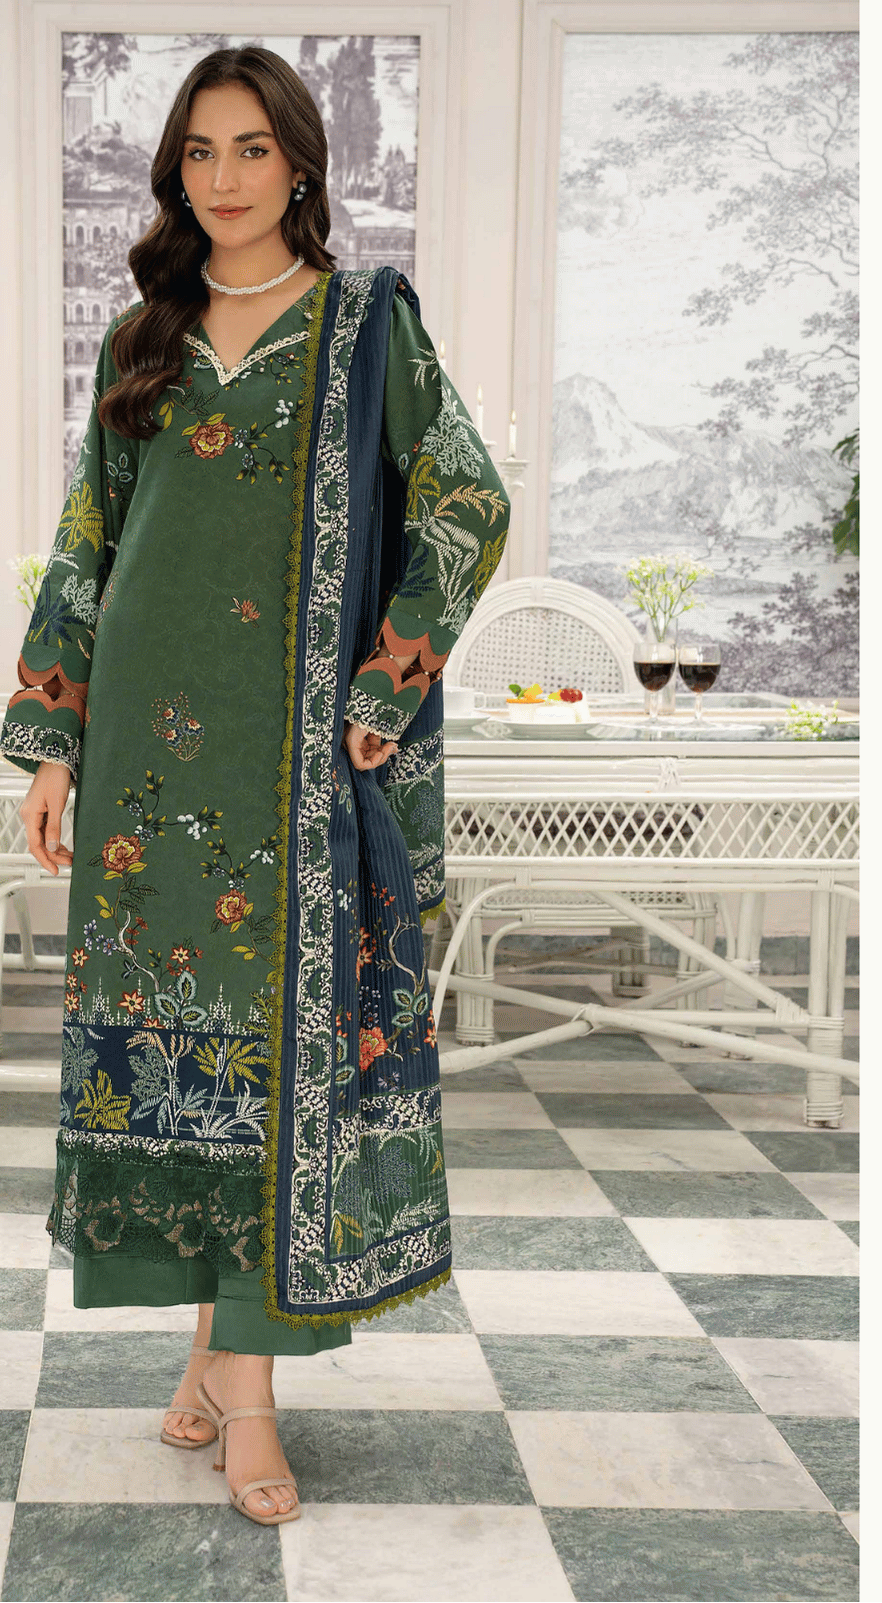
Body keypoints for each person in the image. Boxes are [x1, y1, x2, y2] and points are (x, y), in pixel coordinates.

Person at [3, 47, 508, 1522]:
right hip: (150, 774)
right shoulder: (138, 338)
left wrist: (386, 679)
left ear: (301, 163)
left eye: (250, 149)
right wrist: (49, 742)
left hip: (289, 768)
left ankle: (250, 1400)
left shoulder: (367, 328)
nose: (222, 179)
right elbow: (87, 541)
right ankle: (215, 1351)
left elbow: (465, 496)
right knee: (186, 1070)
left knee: (283, 1058)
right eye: (199, 153)